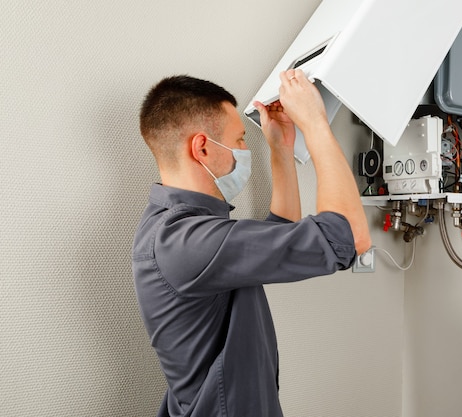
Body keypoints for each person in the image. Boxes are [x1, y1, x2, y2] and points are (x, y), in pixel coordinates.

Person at [132, 69, 371, 417]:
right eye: (240, 139)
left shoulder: (179, 228)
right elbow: (349, 236)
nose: (244, 148)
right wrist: (316, 123)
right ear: (202, 148)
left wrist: (281, 148)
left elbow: (279, 233)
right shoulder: (186, 242)